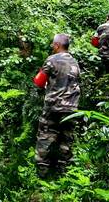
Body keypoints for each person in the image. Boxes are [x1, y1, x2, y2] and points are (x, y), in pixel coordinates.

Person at [33, 34, 80, 178]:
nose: (52, 47)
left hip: (53, 107)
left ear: (57, 45)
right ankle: (64, 176)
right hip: (71, 109)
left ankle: (42, 175)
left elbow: (39, 81)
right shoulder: (75, 61)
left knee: (45, 137)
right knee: (66, 140)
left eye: (53, 44)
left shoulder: (52, 59)